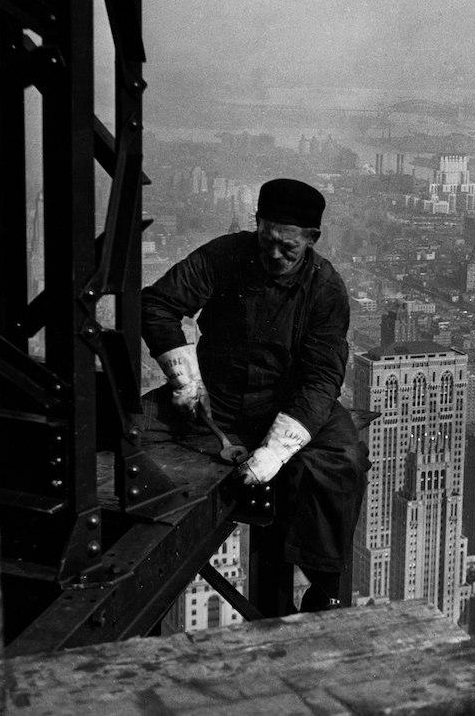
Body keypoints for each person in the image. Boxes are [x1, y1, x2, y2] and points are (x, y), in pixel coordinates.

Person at [141, 178, 369, 614]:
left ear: (312, 240)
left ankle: (324, 584)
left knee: (343, 458)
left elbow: (322, 377)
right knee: (131, 427)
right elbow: (158, 304)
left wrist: (275, 452)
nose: (274, 255)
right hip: (217, 398)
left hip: (288, 406)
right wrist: (186, 382)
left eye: (288, 247)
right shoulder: (223, 256)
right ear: (256, 225)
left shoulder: (325, 288)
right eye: (267, 240)